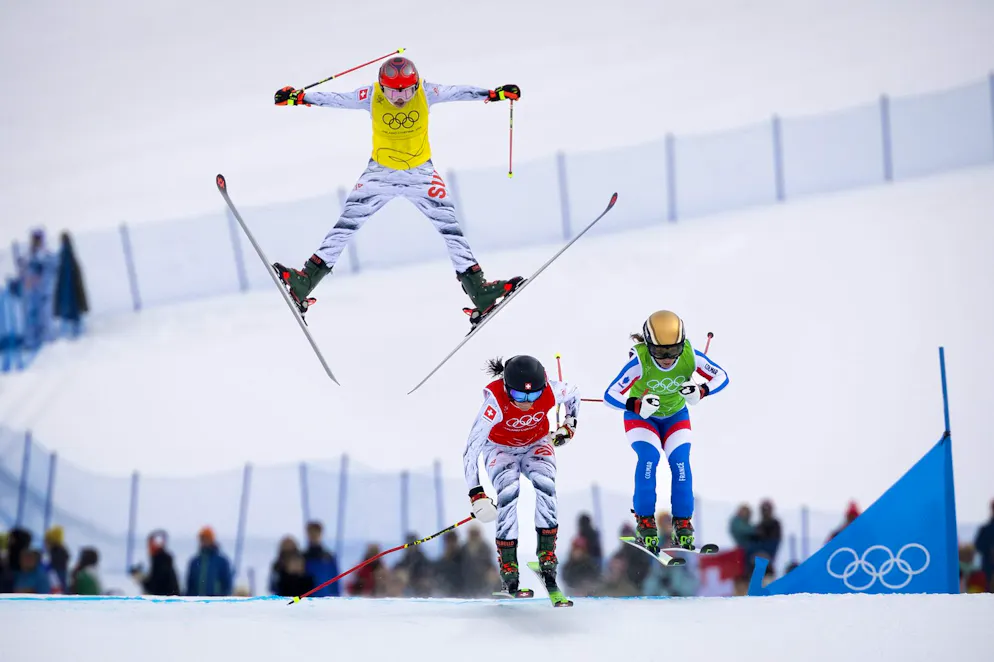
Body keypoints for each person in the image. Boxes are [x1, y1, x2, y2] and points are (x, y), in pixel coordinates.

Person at [271, 56, 523, 325]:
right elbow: (337, 99)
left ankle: (480, 292)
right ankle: (305, 282)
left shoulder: (428, 92)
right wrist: (300, 98)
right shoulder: (370, 95)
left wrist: (494, 94)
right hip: (380, 175)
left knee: (451, 230)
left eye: (405, 91)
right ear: (382, 86)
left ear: (416, 86)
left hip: (422, 175)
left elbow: (459, 92)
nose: (399, 98)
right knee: (345, 226)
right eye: (392, 91)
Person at [603, 310, 729, 552]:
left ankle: (682, 523)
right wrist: (636, 405)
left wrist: (702, 390)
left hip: (675, 417)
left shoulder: (690, 355)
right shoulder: (639, 361)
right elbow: (610, 395)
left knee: (681, 463)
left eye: (674, 350)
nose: (668, 358)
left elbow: (722, 376)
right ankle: (645, 521)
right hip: (642, 419)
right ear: (649, 345)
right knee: (650, 458)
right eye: (661, 352)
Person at [462, 355, 580, 598]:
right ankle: (509, 567)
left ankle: (547, 554)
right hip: (500, 448)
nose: (527, 402)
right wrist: (477, 493)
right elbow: (471, 449)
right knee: (508, 491)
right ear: (506, 389)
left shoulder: (551, 391)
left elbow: (574, 393)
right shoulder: (494, 403)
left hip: (536, 443)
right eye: (518, 396)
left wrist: (569, 425)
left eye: (533, 396)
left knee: (546, 485)